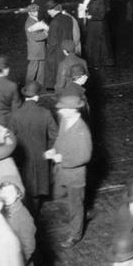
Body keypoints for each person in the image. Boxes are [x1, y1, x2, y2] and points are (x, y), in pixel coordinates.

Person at [46, 95, 92, 247]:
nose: (60, 111)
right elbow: (60, 138)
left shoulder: (82, 131)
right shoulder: (66, 121)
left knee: (76, 205)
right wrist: (54, 150)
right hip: (62, 171)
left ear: (73, 110)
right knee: (62, 195)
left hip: (75, 176)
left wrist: (61, 159)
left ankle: (75, 234)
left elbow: (85, 157)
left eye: (63, 109)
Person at [9, 81, 58, 215]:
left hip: (22, 158)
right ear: (37, 97)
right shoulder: (45, 113)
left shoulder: (16, 114)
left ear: (25, 96)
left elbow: (10, 138)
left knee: (24, 185)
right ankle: (35, 213)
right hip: (41, 157)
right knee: (37, 188)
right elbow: (55, 135)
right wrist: (48, 150)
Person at [0, 176, 38, 266]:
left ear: (18, 194)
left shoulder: (23, 216)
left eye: (10, 192)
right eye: (3, 192)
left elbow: (29, 247)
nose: (6, 196)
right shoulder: (4, 211)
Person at [43, 2, 74, 90]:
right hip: (68, 47)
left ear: (53, 10)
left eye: (49, 10)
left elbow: (52, 41)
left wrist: (47, 34)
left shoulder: (54, 22)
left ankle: (52, 86)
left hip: (57, 50)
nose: (48, 12)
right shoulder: (68, 18)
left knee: (54, 68)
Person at [24, 4, 48, 85]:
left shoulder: (35, 19)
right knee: (33, 69)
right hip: (35, 50)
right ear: (29, 13)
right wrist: (46, 33)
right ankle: (28, 85)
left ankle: (39, 84)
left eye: (37, 11)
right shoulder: (29, 23)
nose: (37, 12)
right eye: (34, 11)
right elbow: (35, 37)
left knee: (41, 67)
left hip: (40, 49)